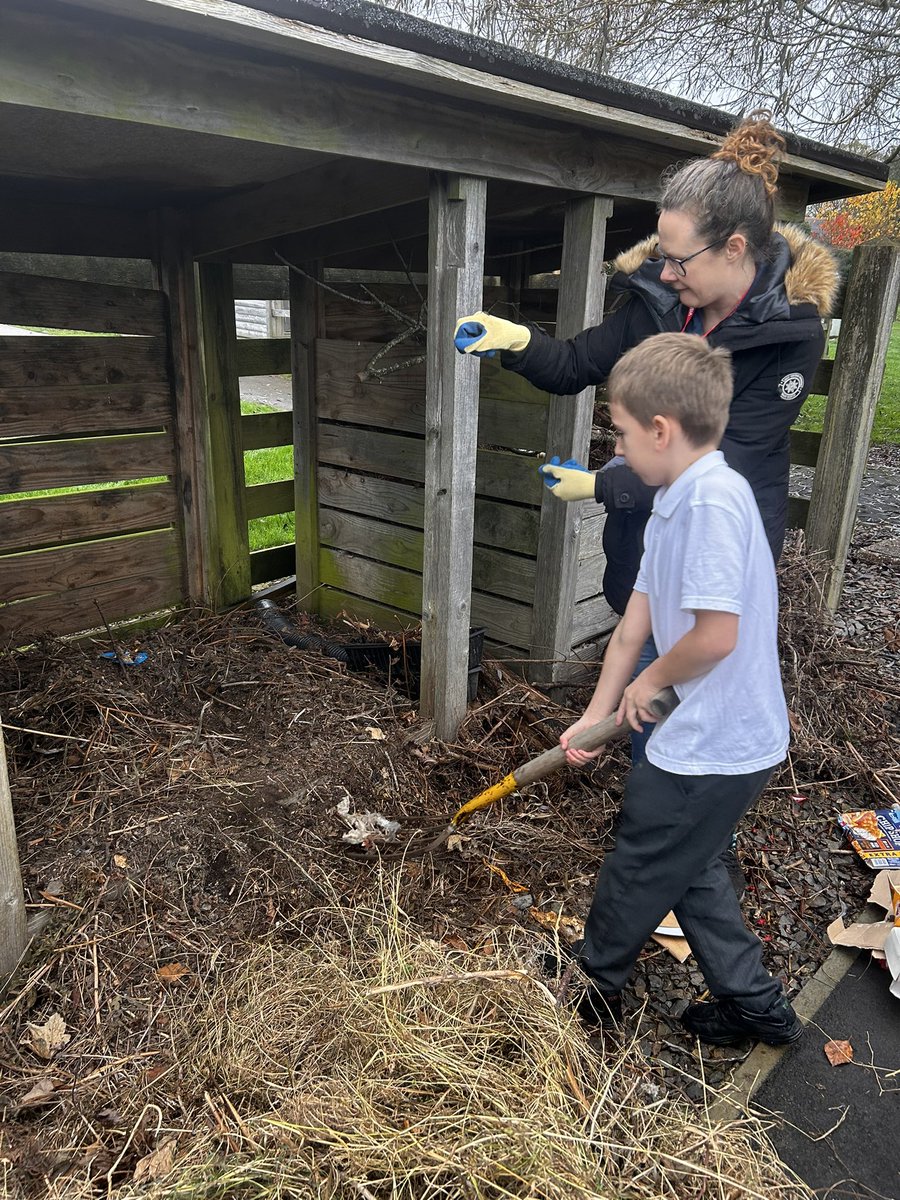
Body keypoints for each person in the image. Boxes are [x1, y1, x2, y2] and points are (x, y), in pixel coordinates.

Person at [552, 332, 801, 1047]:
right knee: (689, 866)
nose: (618, 452)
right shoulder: (675, 498)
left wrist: (654, 682)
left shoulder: (711, 505)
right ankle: (758, 1007)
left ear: (662, 429)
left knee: (643, 857)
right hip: (711, 735)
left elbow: (717, 635)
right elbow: (633, 628)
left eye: (622, 435)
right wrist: (594, 719)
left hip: (712, 742)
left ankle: (591, 984)